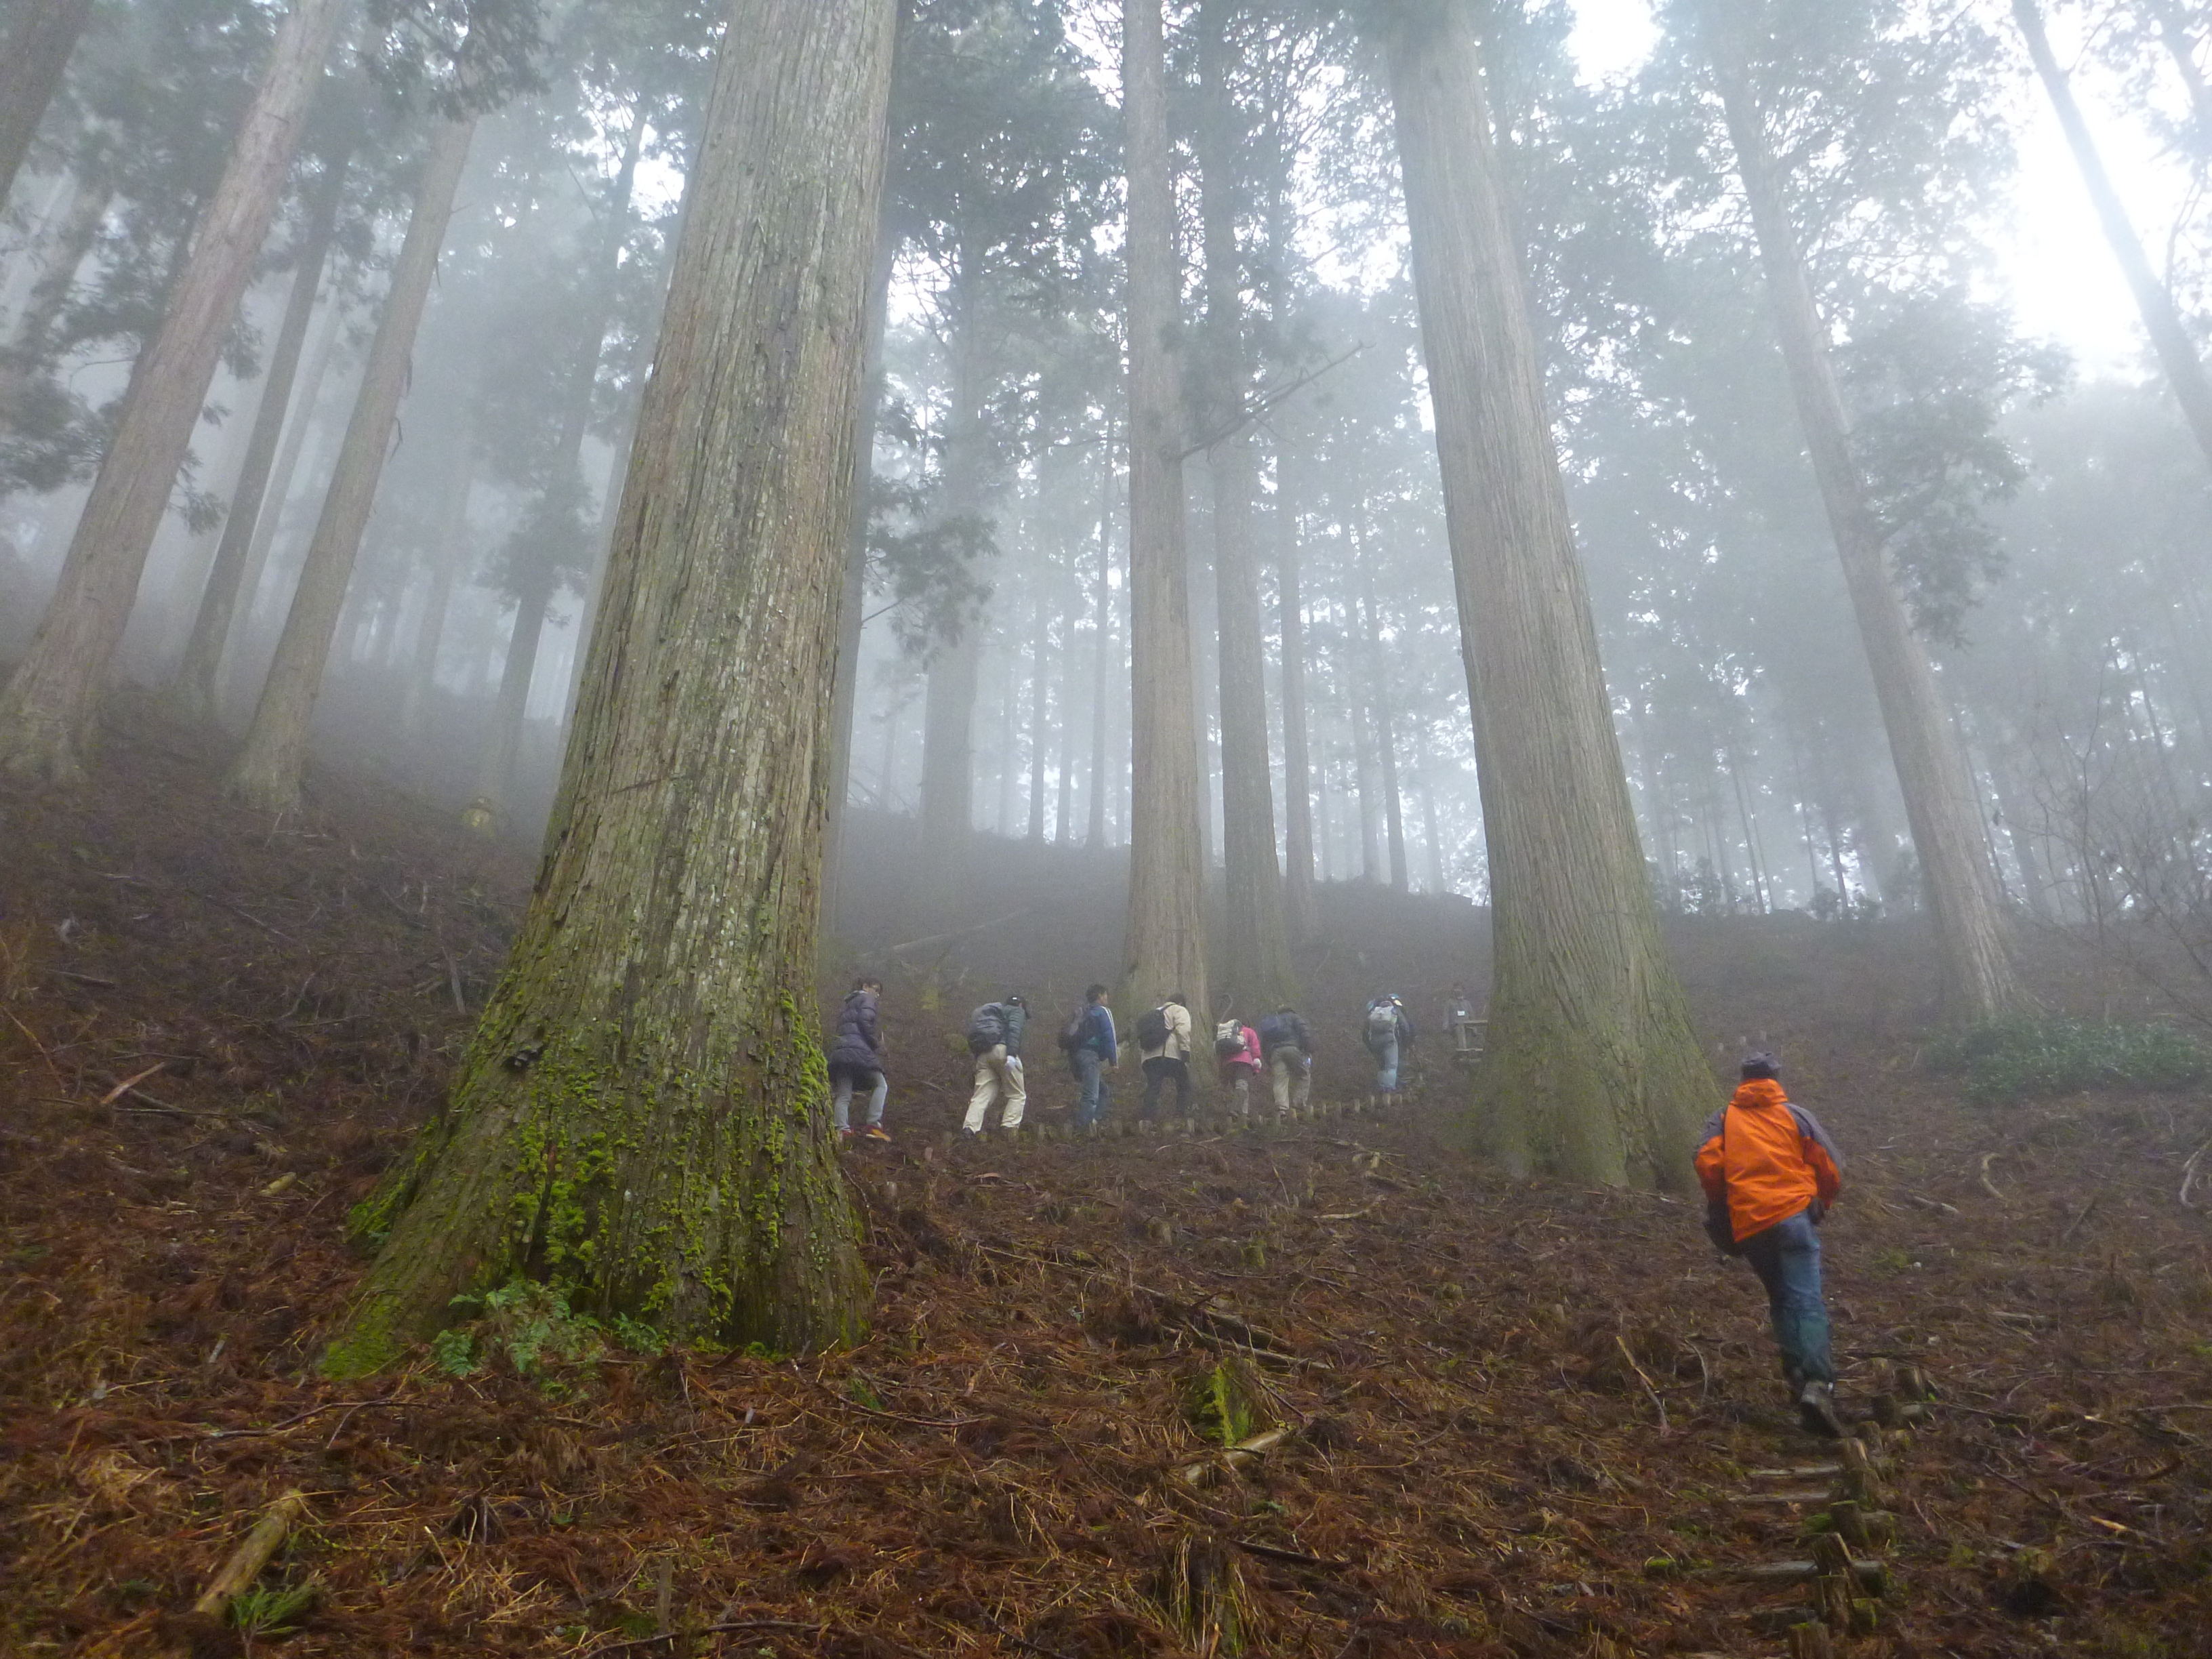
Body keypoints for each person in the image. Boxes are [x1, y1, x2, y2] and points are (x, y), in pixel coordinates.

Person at [1696, 1050, 1845, 1438]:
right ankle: (1818, 1382)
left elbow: (1709, 1166)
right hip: (1794, 1216)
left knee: (1781, 1298)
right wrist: (1820, 1202)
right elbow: (1830, 1165)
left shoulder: (1723, 1119)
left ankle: (1797, 1379)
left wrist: (1724, 1204)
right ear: (1776, 1078)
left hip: (1751, 1223)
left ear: (1742, 1080)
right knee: (1806, 1298)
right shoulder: (1796, 1115)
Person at [825, 975, 889, 1143]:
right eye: (876, 989)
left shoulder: (848, 1003)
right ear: (866, 986)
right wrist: (876, 1044)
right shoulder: (866, 997)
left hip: (841, 1051)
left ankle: (842, 1129)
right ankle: (873, 1124)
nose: (877, 995)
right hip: (859, 1049)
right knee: (880, 1084)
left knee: (844, 1094)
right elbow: (865, 1020)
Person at [962, 994, 1028, 1135]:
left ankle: (969, 1129)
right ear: (1021, 1005)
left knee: (981, 1096)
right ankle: (1009, 1128)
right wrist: (1011, 1054)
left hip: (984, 1054)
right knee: (1017, 1094)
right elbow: (1014, 1030)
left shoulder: (995, 1014)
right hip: (1003, 1051)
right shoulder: (1017, 1011)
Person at [1134, 991, 1193, 1122]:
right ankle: (1181, 1115)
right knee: (1184, 1084)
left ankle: (1147, 1118)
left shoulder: (1153, 1013)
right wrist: (1185, 1053)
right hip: (1169, 1055)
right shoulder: (1179, 1009)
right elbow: (1183, 1030)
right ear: (1181, 1003)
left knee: (1153, 1086)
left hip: (1148, 1056)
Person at [1065, 983, 1118, 1127]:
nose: (1107, 998)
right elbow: (1110, 1036)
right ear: (1100, 996)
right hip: (1091, 1056)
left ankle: (1093, 1121)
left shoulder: (1083, 1012)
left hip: (1076, 1055)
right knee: (1092, 1094)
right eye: (1106, 995)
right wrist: (1114, 1062)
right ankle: (1083, 1127)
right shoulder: (1102, 1011)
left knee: (1103, 1091)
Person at [1256, 1004, 1313, 1118]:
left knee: (1280, 1080)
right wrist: (1308, 1050)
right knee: (1303, 1075)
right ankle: (1298, 1103)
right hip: (1292, 1049)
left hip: (1275, 1053)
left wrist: (1268, 1059)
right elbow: (1305, 1033)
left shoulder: (1273, 1022)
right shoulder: (1294, 1017)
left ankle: (1282, 1108)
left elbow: (1264, 1043)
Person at [1361, 994, 1414, 1092]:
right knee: (1391, 1066)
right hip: (1390, 1040)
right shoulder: (1394, 1010)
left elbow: (1365, 1032)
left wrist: (1370, 1047)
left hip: (1374, 1042)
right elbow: (1405, 1027)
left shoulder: (1374, 1012)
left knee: (1382, 1066)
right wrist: (1407, 1042)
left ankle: (1382, 1087)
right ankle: (1389, 1090)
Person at [1213, 1009, 1262, 1118]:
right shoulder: (1249, 1031)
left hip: (1229, 1064)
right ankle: (1236, 1110)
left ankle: (1243, 1113)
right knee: (1242, 1085)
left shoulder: (1227, 1034)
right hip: (1244, 1063)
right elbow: (1255, 1050)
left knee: (1239, 1087)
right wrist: (1256, 1068)